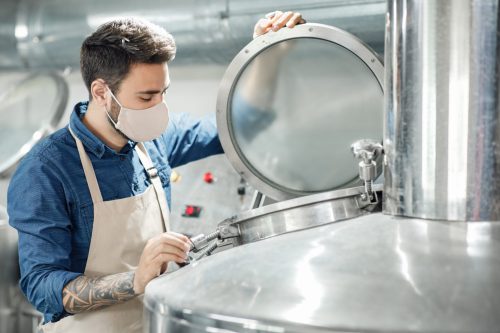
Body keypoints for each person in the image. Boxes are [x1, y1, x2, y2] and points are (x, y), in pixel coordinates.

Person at [7, 10, 304, 333]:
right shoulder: (46, 169)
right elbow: (41, 286)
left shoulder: (155, 139)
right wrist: (135, 279)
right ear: (101, 92)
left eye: (163, 93)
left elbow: (240, 125)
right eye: (146, 96)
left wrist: (267, 54)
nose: (158, 107)